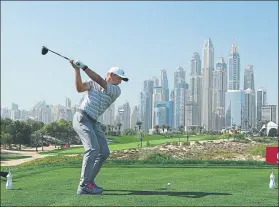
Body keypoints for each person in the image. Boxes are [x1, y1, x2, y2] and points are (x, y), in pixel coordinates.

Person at [70, 59, 128, 195]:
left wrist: (83, 67)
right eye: (119, 78)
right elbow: (79, 88)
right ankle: (83, 186)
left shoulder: (116, 90)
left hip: (94, 122)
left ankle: (89, 181)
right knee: (92, 149)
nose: (120, 82)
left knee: (104, 152)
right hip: (82, 118)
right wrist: (77, 70)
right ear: (111, 75)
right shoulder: (92, 83)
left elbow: (101, 82)